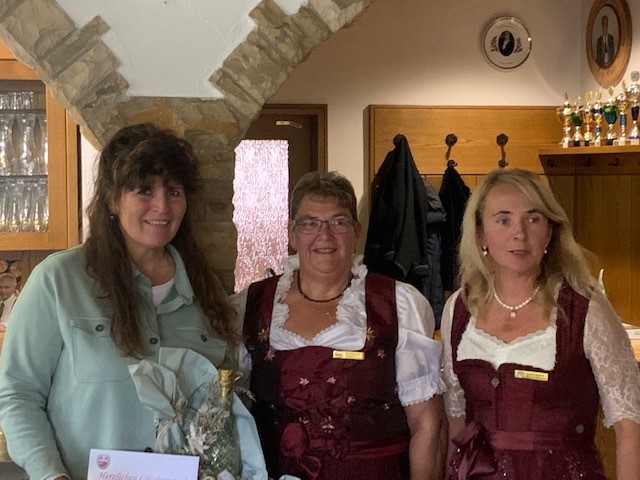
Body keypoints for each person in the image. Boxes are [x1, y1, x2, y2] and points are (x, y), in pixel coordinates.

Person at [0, 124, 265, 480]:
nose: (162, 206)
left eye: (174, 191)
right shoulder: (59, 280)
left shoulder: (206, 291)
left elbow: (220, 410)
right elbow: (17, 395)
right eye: (144, 190)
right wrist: (51, 475)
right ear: (112, 200)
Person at [233, 171, 447, 480]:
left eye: (338, 222)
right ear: (292, 233)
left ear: (356, 232)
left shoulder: (397, 305)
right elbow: (232, 416)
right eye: (310, 223)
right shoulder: (249, 307)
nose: (325, 235)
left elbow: (427, 424)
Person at [441, 168, 640, 479]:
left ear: (549, 232)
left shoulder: (585, 309)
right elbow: (456, 420)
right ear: (480, 234)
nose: (519, 233)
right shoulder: (459, 308)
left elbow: (629, 425)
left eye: (533, 219)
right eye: (503, 220)